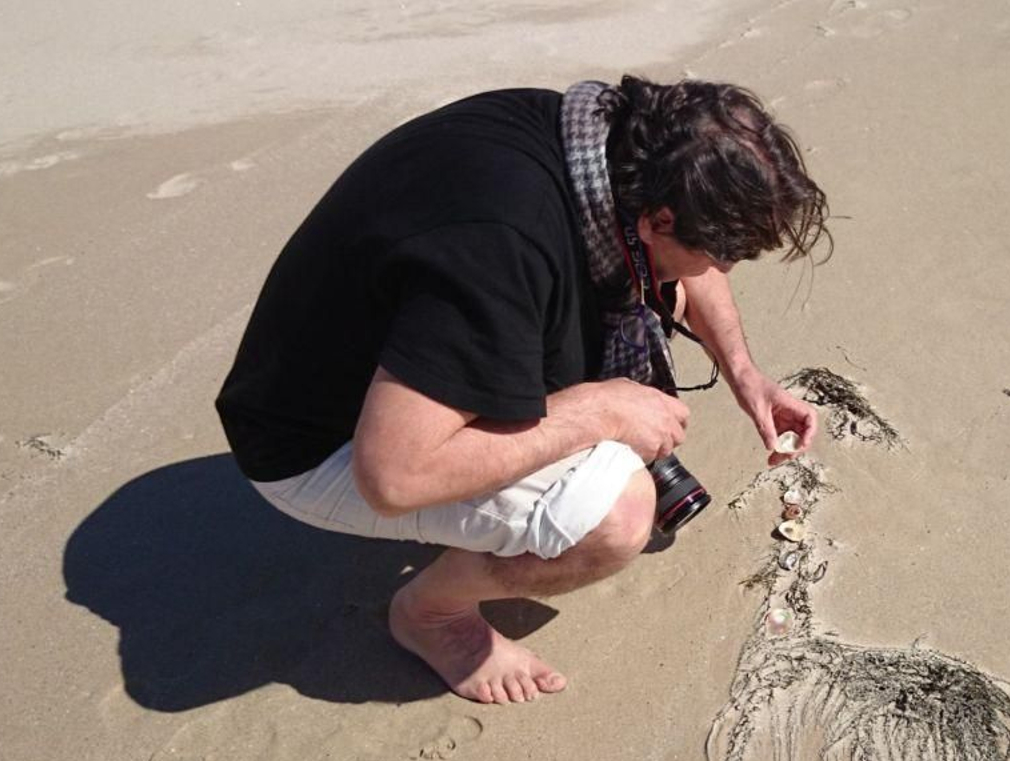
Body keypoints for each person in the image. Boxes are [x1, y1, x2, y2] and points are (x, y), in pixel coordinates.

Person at [215, 76, 830, 705]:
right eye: (715, 255)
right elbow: (392, 477)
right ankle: (432, 615)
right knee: (617, 514)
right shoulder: (502, 243)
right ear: (658, 218)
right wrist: (598, 410)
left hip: (379, 365)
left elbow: (674, 262)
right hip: (316, 444)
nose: (717, 273)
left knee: (641, 295)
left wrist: (746, 376)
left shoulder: (598, 143)